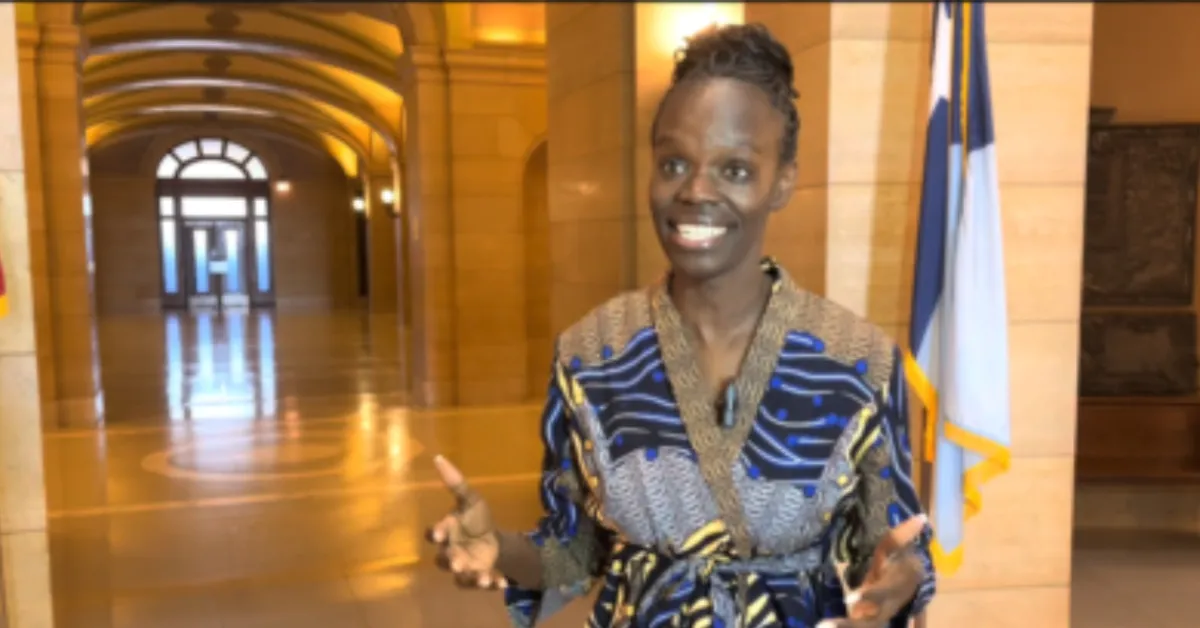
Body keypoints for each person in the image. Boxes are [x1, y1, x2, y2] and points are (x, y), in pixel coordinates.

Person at [427, 23, 936, 628]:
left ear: (783, 181)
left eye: (735, 170)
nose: (695, 190)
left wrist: (898, 583)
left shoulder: (854, 362)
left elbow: (895, 548)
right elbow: (573, 555)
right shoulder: (594, 355)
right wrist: (501, 550)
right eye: (674, 163)